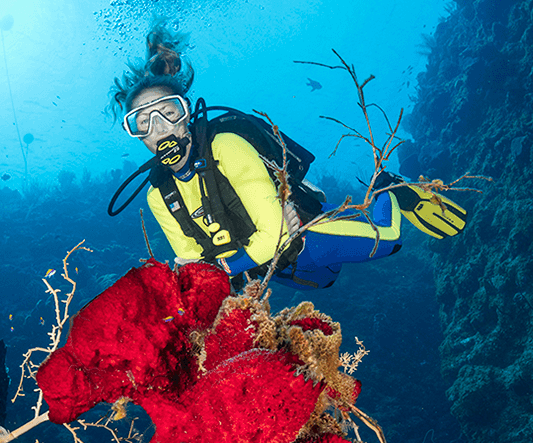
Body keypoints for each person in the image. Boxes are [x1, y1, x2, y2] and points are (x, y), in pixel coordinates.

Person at [109, 25, 467, 290]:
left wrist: (226, 265)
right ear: (136, 135)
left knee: (388, 239)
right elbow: (191, 266)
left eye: (168, 112)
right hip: (276, 270)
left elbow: (277, 235)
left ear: (186, 115)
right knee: (326, 281)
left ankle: (389, 190)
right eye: (142, 123)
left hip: (308, 236)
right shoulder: (160, 196)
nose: (159, 128)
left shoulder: (226, 147)